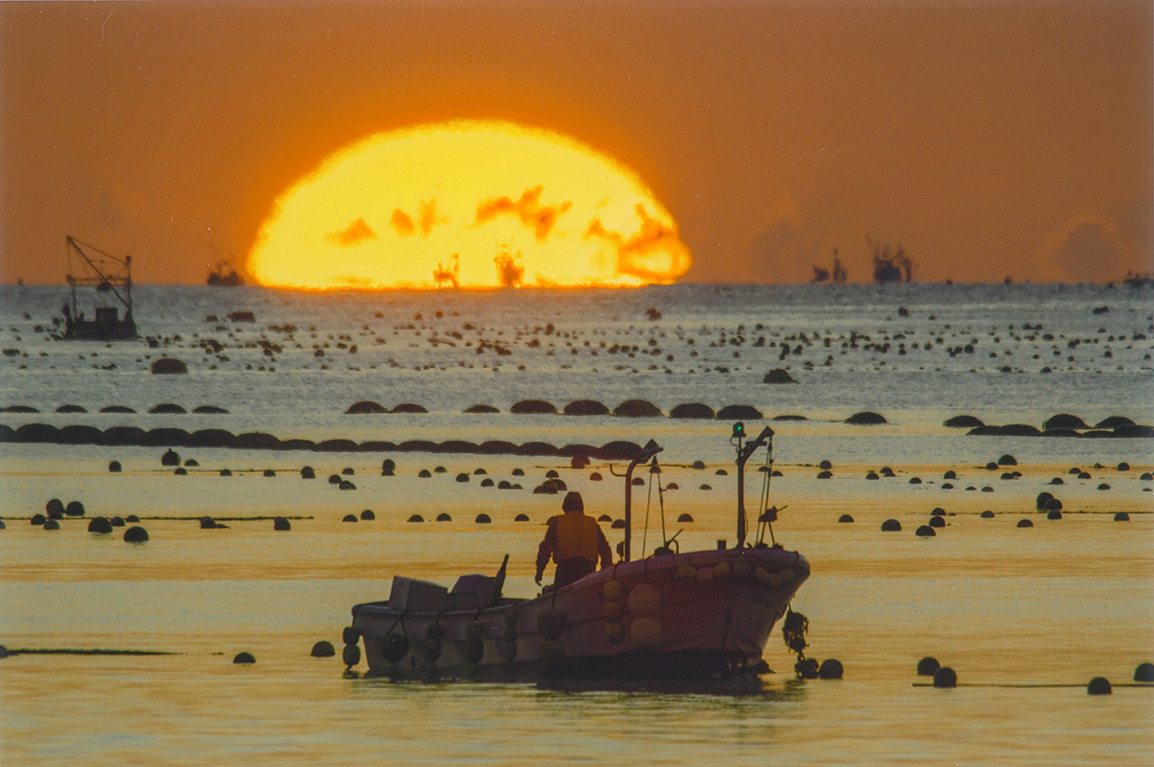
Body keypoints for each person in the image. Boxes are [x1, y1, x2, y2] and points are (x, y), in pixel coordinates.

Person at [535, 491, 612, 589]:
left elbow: (545, 549)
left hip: (565, 570)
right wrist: (605, 573)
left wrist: (540, 570)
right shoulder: (593, 524)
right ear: (582, 507)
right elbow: (605, 551)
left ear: (564, 507)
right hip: (588, 570)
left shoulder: (557, 522)